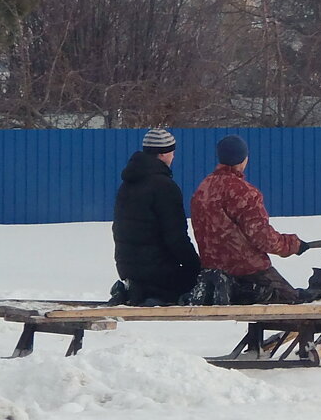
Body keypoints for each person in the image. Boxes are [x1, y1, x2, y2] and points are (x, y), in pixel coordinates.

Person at [190, 134, 310, 304]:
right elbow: (263, 238)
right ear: (244, 159)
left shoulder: (203, 188)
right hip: (248, 276)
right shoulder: (243, 192)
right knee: (299, 303)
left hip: (214, 274)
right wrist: (292, 245)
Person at [111, 128, 201, 305]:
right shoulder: (164, 187)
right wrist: (196, 267)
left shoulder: (127, 185)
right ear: (163, 154)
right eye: (172, 152)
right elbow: (176, 237)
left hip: (127, 269)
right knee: (202, 287)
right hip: (159, 273)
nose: (173, 157)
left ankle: (136, 290)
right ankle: (154, 293)